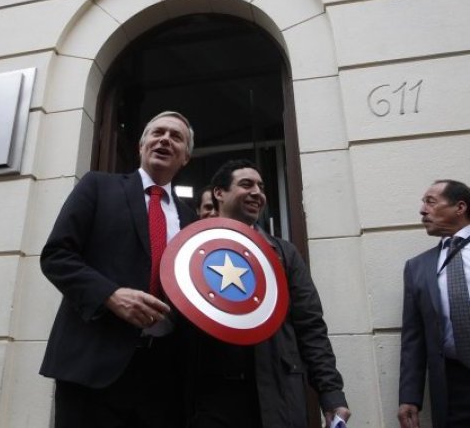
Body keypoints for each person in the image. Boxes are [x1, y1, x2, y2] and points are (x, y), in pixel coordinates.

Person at [39, 111, 198, 428]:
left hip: (163, 376)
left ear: (185, 158)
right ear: (141, 145)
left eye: (176, 137)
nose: (165, 139)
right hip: (94, 367)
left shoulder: (191, 220)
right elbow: (56, 255)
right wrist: (109, 295)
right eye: (157, 133)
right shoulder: (98, 186)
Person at [186, 159, 350, 428]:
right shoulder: (190, 250)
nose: (257, 193)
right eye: (246, 184)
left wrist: (331, 394)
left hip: (276, 396)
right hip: (212, 400)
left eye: (261, 187)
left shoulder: (285, 254)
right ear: (219, 193)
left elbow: (310, 326)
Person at [398, 179, 470, 428]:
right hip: (453, 388)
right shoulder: (417, 267)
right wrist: (409, 397)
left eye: (430, 202)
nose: (422, 210)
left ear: (460, 207)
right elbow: (413, 338)